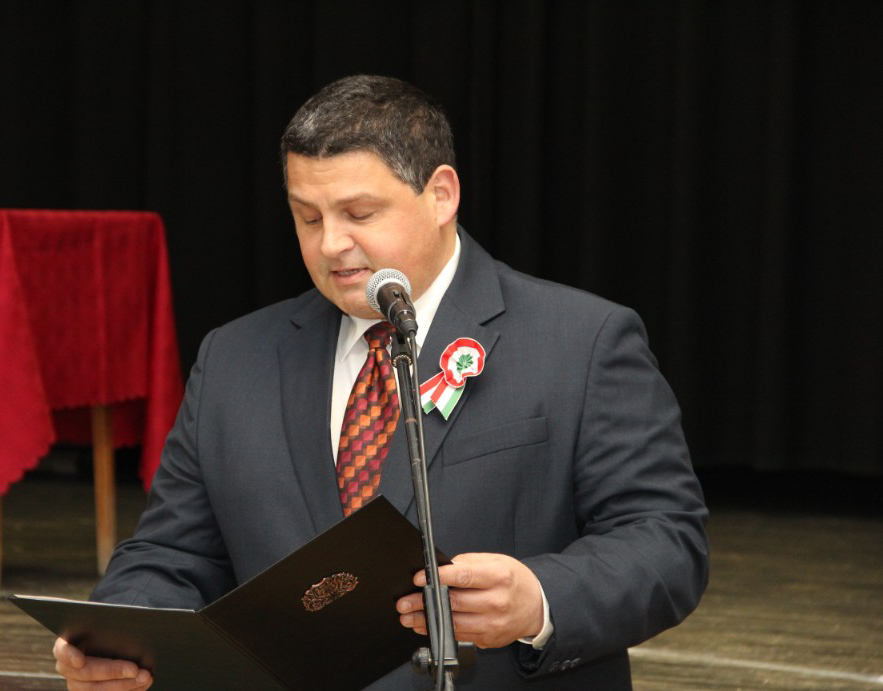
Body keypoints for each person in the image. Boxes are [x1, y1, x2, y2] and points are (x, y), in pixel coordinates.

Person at [53, 74, 708, 690]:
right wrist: (118, 634)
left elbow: (665, 541)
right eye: (308, 217)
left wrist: (540, 598)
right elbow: (172, 553)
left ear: (441, 194)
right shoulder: (235, 358)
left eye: (359, 213)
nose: (330, 244)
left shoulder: (582, 341)